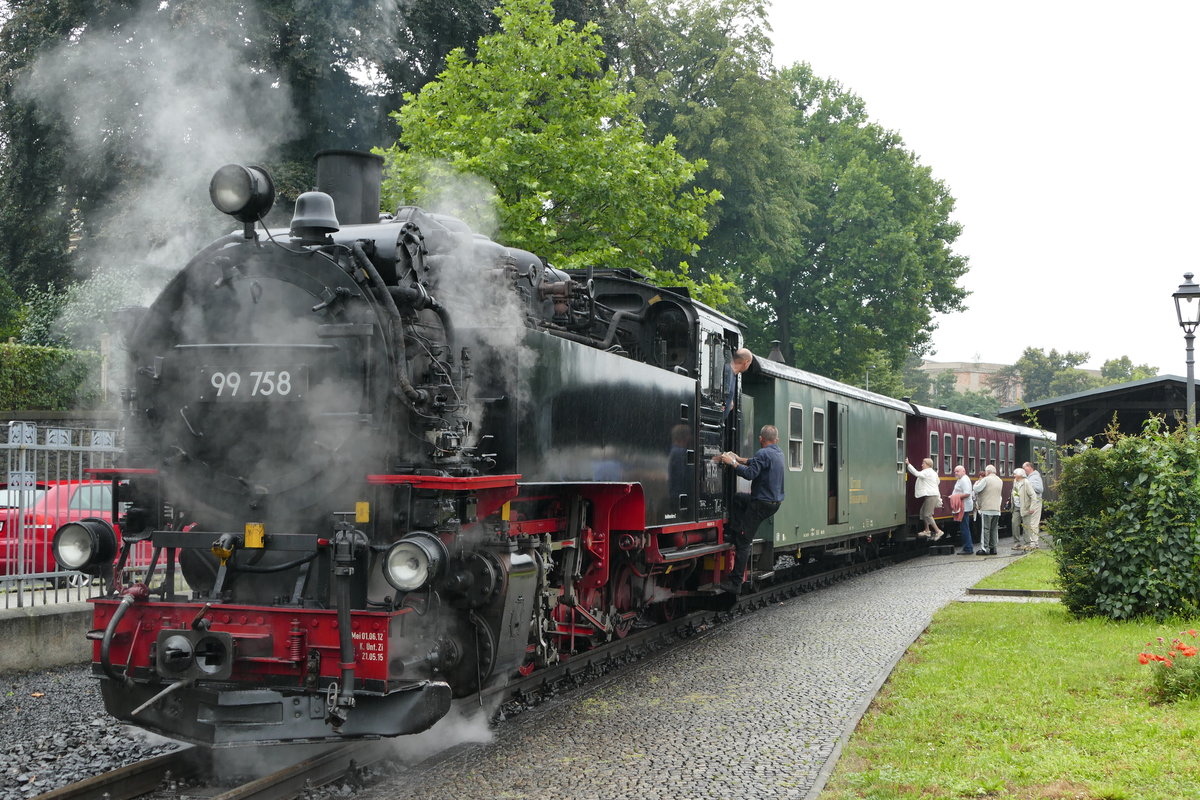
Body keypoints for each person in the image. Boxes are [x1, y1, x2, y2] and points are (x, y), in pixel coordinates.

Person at [715, 424, 784, 594]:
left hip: (761, 504)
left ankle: (735, 583)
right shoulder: (778, 453)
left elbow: (750, 474)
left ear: (761, 439)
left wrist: (732, 463)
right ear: (776, 439)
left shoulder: (763, 453)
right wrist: (738, 458)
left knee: (744, 542)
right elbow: (754, 462)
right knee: (738, 499)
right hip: (773, 503)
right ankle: (735, 530)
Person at [904, 457, 944, 540]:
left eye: (923, 463)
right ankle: (927, 530)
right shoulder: (932, 473)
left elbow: (917, 474)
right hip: (931, 495)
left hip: (931, 496)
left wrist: (908, 464)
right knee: (922, 512)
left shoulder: (927, 472)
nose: (922, 465)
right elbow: (938, 481)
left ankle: (938, 531)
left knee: (927, 514)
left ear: (927, 465)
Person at [972, 464, 1002, 555]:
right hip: (997, 509)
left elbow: (977, 489)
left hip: (987, 508)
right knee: (994, 529)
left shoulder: (986, 479)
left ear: (988, 472)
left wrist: (976, 483)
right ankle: (993, 548)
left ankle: (984, 548)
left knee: (986, 529)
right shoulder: (1000, 480)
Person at [1013, 467, 1043, 551]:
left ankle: (1030, 543)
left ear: (1020, 475)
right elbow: (1015, 492)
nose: (1014, 475)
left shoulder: (1027, 482)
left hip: (1026, 506)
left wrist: (1032, 507)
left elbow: (1035, 494)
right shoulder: (1015, 482)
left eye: (1015, 474)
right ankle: (1018, 542)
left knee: (1028, 525)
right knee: (1014, 523)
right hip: (1017, 506)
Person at [723, 348, 755, 418]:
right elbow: (722, 399)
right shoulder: (727, 372)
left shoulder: (731, 373)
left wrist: (730, 401)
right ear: (746, 362)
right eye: (749, 363)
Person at [950, 465, 974, 554]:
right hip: (963, 506)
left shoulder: (964, 480)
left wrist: (955, 497)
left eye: (957, 471)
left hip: (964, 507)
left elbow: (967, 493)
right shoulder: (961, 479)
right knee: (964, 527)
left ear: (963, 471)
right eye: (955, 471)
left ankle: (968, 548)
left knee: (964, 528)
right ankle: (967, 547)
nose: (956, 473)